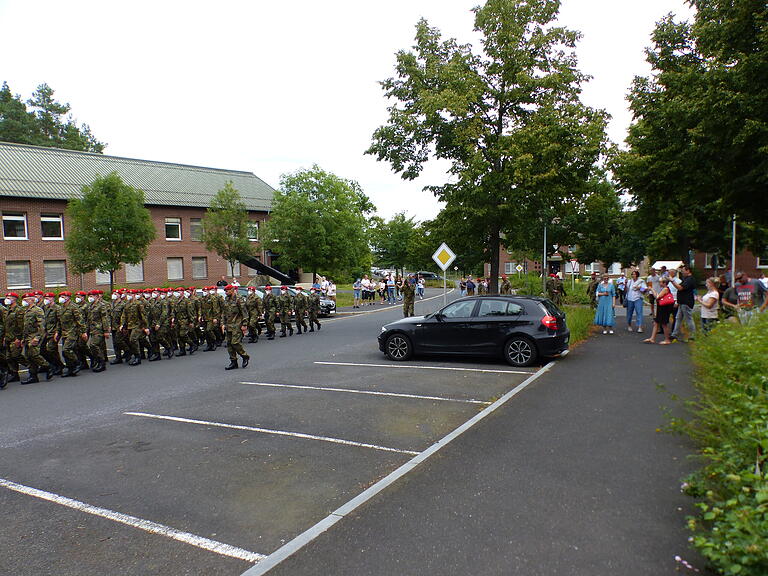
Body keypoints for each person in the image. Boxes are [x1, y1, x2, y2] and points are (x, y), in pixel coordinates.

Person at [20, 292, 51, 384]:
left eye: (26, 300)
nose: (24, 302)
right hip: (27, 337)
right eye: (23, 300)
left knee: (35, 355)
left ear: (32, 300)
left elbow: (41, 325)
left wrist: (37, 338)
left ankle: (48, 366)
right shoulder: (26, 310)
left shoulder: (37, 310)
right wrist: (23, 338)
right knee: (29, 357)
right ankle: (33, 376)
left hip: (34, 336)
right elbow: (25, 326)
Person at [58, 291, 87, 375]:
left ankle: (77, 362)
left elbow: (80, 320)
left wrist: (83, 332)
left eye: (63, 297)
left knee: (66, 349)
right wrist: (58, 332)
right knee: (65, 352)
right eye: (61, 296)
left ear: (68, 298)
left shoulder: (74, 307)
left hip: (72, 332)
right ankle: (71, 369)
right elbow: (60, 321)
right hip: (64, 332)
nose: (61, 298)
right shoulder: (61, 307)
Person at [222, 284, 250, 370]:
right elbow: (224, 313)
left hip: (237, 325)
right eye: (225, 291)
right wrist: (223, 324)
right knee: (229, 344)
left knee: (235, 343)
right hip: (228, 325)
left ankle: (245, 356)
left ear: (232, 290)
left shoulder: (239, 299)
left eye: (227, 291)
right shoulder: (226, 299)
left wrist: (244, 325)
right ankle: (233, 362)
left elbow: (244, 312)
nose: (226, 293)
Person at [644, 277, 675, 344]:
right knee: (656, 323)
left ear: (664, 283)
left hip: (664, 308)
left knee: (664, 324)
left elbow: (657, 297)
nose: (659, 283)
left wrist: (652, 289)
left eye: (660, 282)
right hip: (661, 308)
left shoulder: (665, 289)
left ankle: (667, 340)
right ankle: (652, 338)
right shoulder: (664, 289)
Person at [86, 290, 111, 372]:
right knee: (95, 346)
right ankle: (98, 361)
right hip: (92, 329)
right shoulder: (90, 305)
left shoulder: (101, 306)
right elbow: (89, 319)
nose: (90, 298)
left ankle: (102, 363)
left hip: (99, 329)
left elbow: (105, 319)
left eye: (91, 296)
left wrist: (106, 331)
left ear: (96, 296)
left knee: (93, 345)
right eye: (89, 296)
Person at [671, 266, 696, 342]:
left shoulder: (690, 279)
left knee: (688, 318)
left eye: (683, 271)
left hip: (686, 302)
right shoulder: (685, 279)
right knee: (678, 318)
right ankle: (674, 334)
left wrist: (672, 281)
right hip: (682, 302)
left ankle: (693, 335)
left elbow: (680, 288)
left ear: (688, 271)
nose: (682, 272)